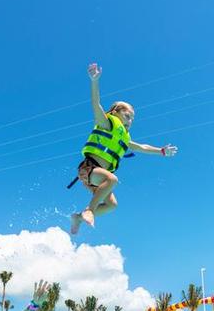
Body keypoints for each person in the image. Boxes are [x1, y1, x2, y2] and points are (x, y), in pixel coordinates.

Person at [69, 63, 178, 235]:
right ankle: (89, 210)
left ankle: (78, 217)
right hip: (89, 169)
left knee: (112, 205)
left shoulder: (124, 138)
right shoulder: (106, 123)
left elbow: (142, 147)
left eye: (132, 118)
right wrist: (94, 81)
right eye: (127, 116)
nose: (130, 120)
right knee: (112, 180)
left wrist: (161, 151)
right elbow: (95, 104)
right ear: (115, 112)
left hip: (98, 178)